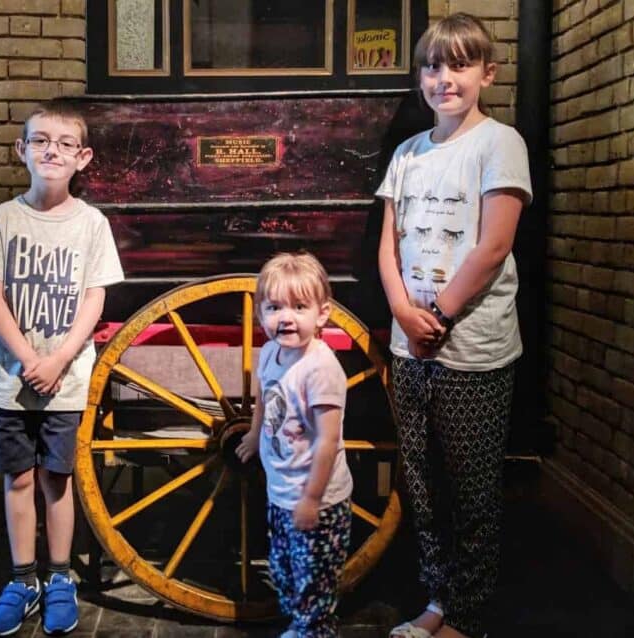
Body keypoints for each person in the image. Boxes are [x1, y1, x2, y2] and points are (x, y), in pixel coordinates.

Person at [376, 13, 532, 638]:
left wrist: (435, 318)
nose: (445, 78)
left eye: (460, 65)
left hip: (473, 349)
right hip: (408, 345)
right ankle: (439, 601)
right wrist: (403, 314)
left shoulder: (500, 143)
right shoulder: (408, 154)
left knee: (471, 488)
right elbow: (387, 245)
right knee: (423, 484)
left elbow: (493, 247)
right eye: (433, 66)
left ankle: (467, 613)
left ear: (487, 74)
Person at [0, 100, 124, 636]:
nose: (50, 150)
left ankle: (60, 578)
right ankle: (22, 580)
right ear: (22, 151)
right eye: (39, 140)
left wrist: (57, 359)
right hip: (10, 380)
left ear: (82, 158)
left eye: (63, 143)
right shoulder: (3, 220)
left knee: (57, 479)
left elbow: (93, 301)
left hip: (66, 380)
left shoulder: (92, 224)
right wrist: (30, 358)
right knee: (19, 478)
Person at [236, 252, 353, 638]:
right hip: (283, 493)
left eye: (299, 307)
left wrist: (312, 498)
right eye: (274, 307)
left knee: (313, 584)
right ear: (260, 314)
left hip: (318, 501)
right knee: (284, 571)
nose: (285, 317)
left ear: (322, 314)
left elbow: (327, 441)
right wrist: (255, 434)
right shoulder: (272, 352)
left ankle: (313, 631)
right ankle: (300, 626)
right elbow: (265, 395)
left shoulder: (320, 370)